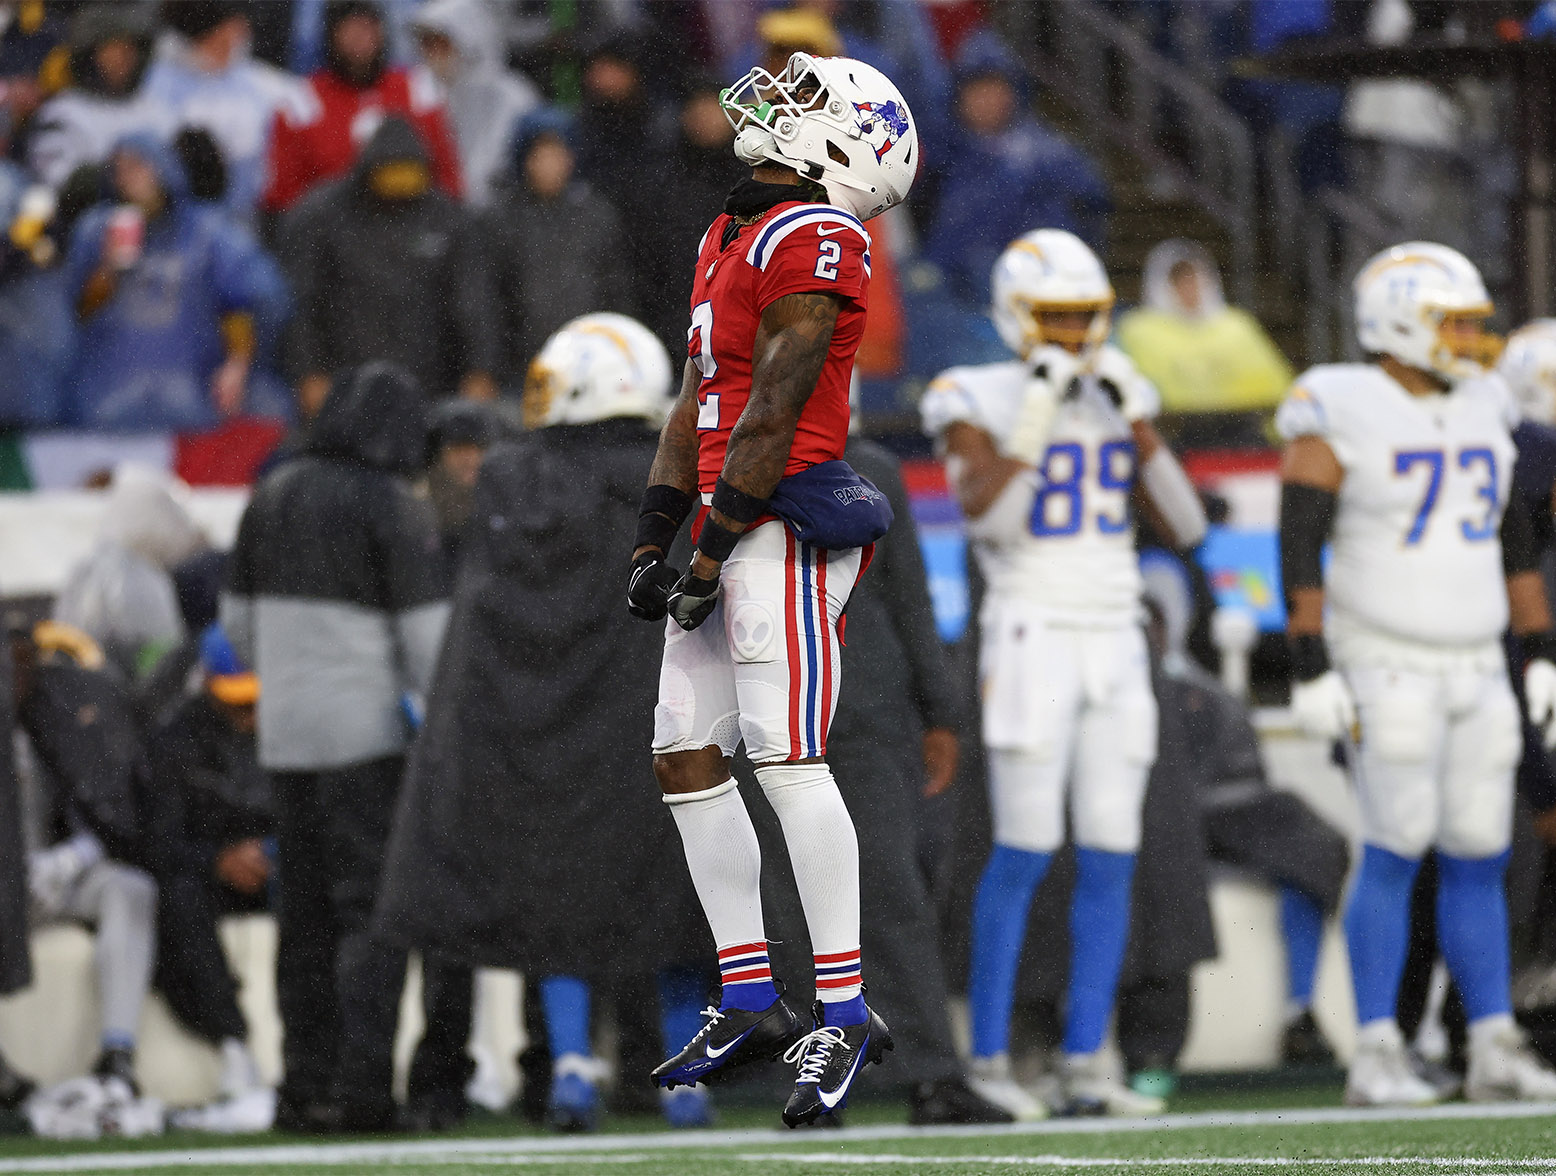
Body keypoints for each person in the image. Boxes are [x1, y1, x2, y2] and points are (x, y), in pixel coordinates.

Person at [625, 51, 918, 1127]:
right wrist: (657, 534)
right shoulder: (731, 230)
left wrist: (709, 550)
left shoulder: (818, 234)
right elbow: (697, 395)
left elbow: (776, 407)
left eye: (803, 102)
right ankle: (750, 992)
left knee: (787, 758)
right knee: (684, 757)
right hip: (723, 515)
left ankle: (841, 1010)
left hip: (777, 522)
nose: (772, 106)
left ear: (842, 143)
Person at [378, 314, 719, 1132]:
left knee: (559, 897)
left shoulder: (512, 477)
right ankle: (687, 1077)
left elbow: (489, 619)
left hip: (541, 730)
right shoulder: (688, 473)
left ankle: (570, 1065)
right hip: (669, 721)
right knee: (680, 898)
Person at [919, 228, 1207, 1118]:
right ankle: (993, 1059)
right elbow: (995, 519)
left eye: (1087, 318)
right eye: (1057, 318)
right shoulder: (975, 392)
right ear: (1015, 316)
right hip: (1031, 630)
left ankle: (1089, 1060)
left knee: (1114, 849)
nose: (1075, 335)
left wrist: (1140, 426)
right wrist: (1041, 406)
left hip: (1115, 633)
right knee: (1025, 848)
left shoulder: (1120, 388)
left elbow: (1190, 529)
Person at [1276, 242, 1556, 1107]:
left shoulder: (1483, 402)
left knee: (1481, 852)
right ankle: (1375, 1049)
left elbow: (1509, 535)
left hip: (1477, 659)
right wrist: (1310, 662)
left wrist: (1539, 646)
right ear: (1398, 321)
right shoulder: (1340, 401)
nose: (1473, 341)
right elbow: (1299, 535)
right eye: (1456, 323)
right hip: (1385, 659)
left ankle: (1492, 1038)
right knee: (1393, 850)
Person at [743, 425, 1012, 1126]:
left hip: (860, 714)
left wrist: (940, 713)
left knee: (890, 893)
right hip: (774, 718)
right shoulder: (728, 467)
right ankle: (817, 1085)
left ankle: (932, 1076)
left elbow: (908, 596)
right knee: (792, 904)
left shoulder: (868, 468)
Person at [221, 363, 450, 1132]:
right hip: (366, 744)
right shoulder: (390, 505)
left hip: (287, 742)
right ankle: (363, 1094)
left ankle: (301, 1089)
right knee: (370, 922)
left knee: (305, 923)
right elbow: (429, 645)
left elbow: (239, 627)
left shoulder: (271, 493)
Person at [10, 620, 155, 1096]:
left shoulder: (58, 713)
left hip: (49, 876)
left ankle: (118, 1055)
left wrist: (72, 857)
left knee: (130, 890)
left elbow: (105, 807)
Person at [141, 626, 275, 1133]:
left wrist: (272, 853)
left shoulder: (290, 730)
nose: (250, 714)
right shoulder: (174, 740)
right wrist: (217, 860)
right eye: (238, 702)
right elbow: (158, 842)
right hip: (206, 872)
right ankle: (234, 1046)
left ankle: (326, 1055)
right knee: (177, 898)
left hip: (277, 866)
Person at [61, 134, 288, 431]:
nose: (128, 178)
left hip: (192, 400)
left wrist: (237, 365)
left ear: (164, 169)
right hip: (108, 402)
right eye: (119, 170)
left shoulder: (207, 231)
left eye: (138, 166)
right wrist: (108, 270)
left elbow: (246, 299)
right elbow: (74, 314)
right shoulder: (95, 230)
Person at [278, 116, 496, 419]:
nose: (399, 185)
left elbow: (473, 303)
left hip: (431, 383)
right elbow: (301, 303)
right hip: (346, 382)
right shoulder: (322, 218)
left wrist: (480, 369)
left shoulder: (449, 220)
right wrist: (308, 372)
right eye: (390, 173)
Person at [922, 33, 1108, 307]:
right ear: (958, 95)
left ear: (1014, 92)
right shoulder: (937, 156)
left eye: (995, 87)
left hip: (1040, 300)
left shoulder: (1050, 155)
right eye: (975, 88)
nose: (985, 99)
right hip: (958, 309)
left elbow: (1092, 210)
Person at [263, 0, 462, 217]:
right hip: (334, 233)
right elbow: (284, 199)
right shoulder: (302, 102)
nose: (360, 41)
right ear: (331, 36)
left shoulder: (418, 90)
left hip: (410, 227)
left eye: (368, 29)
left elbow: (448, 180)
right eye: (350, 31)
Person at [484, 110, 634, 392]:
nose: (551, 165)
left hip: (591, 367)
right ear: (524, 160)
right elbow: (487, 302)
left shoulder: (596, 215)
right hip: (522, 371)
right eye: (541, 155)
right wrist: (489, 366)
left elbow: (617, 291)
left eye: (559, 154)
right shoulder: (500, 221)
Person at [142, 2, 305, 223]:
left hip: (262, 217)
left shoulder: (269, 86)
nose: (239, 34)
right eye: (227, 30)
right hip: (181, 217)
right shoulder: (154, 87)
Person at [53, 466, 208, 684]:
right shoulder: (142, 580)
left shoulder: (85, 568)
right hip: (125, 700)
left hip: (79, 695)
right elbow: (162, 662)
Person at [1114, 239, 1295, 423]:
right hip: (1174, 435)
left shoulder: (1238, 326)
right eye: (1179, 281)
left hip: (1241, 432)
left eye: (1195, 279)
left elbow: (1276, 388)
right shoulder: (1137, 330)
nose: (1190, 289)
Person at [408, 0, 540, 209]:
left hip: (505, 215)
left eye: (442, 43)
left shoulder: (513, 96)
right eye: (426, 44)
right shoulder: (421, 92)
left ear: (467, 39)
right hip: (441, 216)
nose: (434, 54)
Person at [28, 3, 172, 192]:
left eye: (130, 48)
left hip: (161, 214)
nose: (123, 57)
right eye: (113, 48)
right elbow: (56, 178)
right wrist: (116, 177)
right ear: (89, 54)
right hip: (96, 213)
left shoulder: (154, 107)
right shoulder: (63, 111)